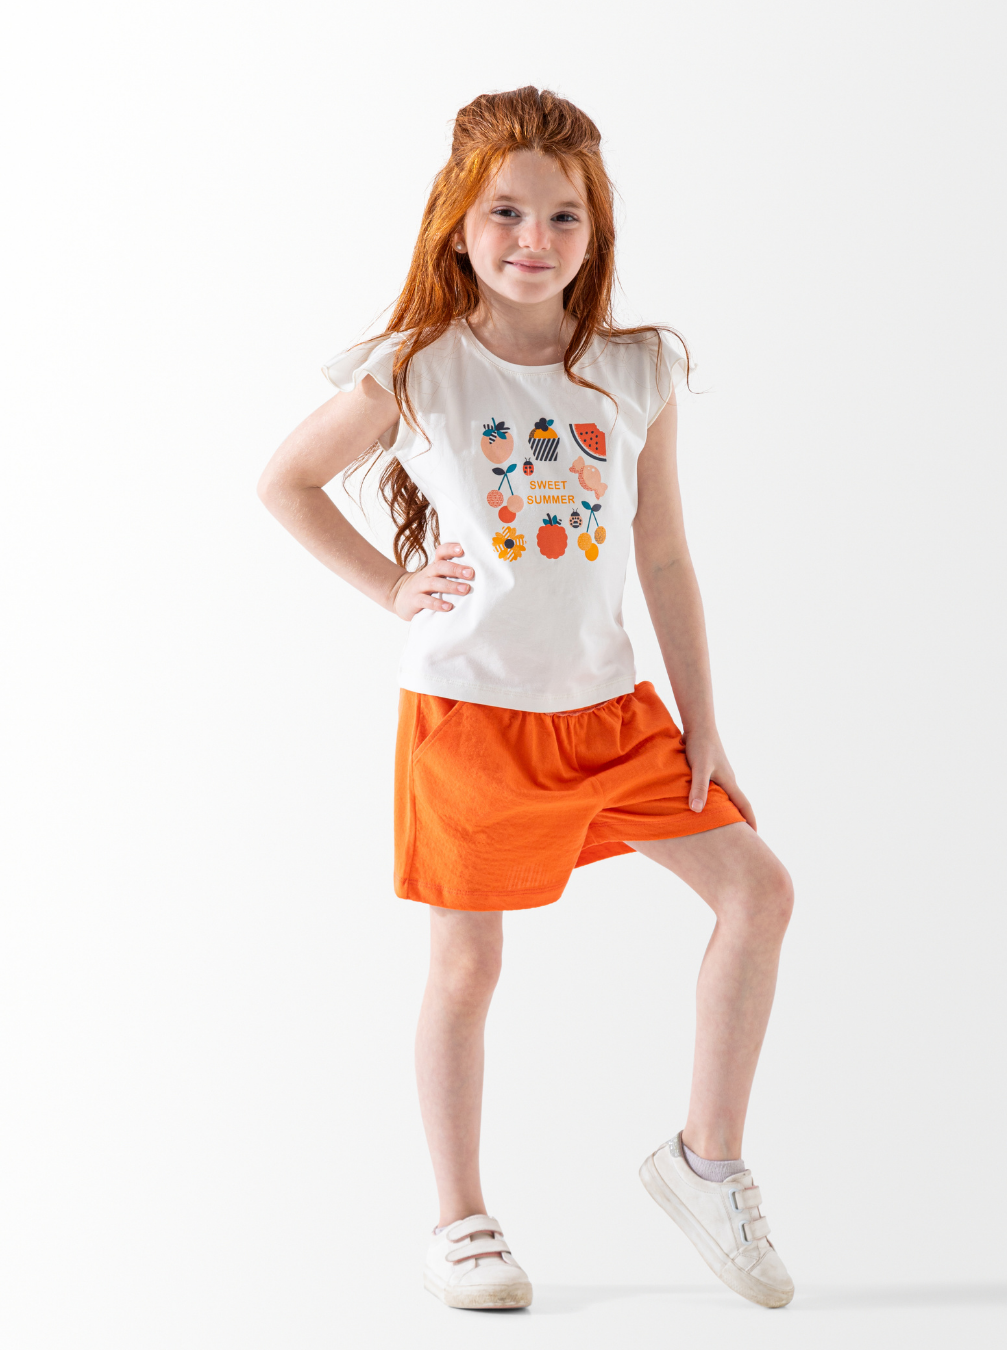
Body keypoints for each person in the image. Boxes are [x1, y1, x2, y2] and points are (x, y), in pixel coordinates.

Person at [257, 86, 795, 1312]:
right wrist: (393, 588)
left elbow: (665, 554)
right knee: (467, 968)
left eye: (563, 216)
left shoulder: (636, 369)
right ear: (457, 223)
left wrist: (703, 721)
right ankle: (461, 1221)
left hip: (612, 715)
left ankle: (707, 1162)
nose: (533, 240)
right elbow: (286, 481)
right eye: (505, 211)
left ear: (595, 232)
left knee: (758, 891)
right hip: (471, 719)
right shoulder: (417, 370)